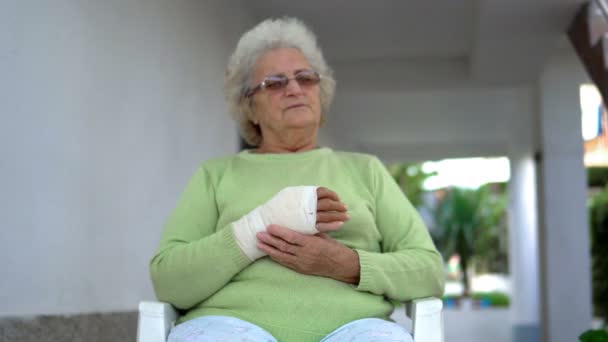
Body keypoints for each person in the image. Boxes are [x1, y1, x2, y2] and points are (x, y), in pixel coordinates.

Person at [150, 17, 444, 342]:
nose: (294, 88)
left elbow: (428, 272)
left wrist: (347, 263)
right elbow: (169, 279)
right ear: (250, 107)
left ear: (321, 93)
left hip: (356, 329)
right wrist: (255, 230)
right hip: (227, 326)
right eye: (275, 83)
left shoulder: (365, 171)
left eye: (306, 78)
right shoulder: (216, 175)